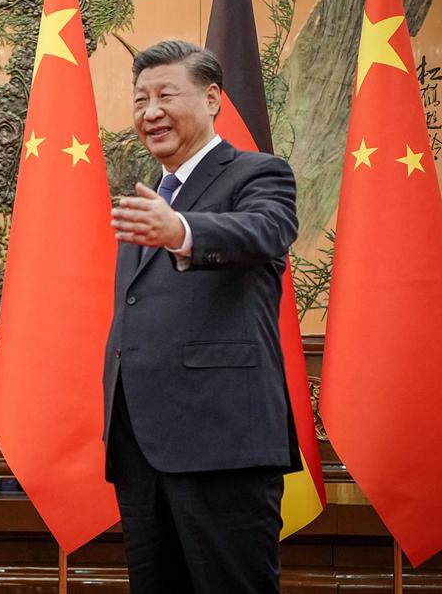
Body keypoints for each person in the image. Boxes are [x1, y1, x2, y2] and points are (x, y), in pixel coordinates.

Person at [105, 40, 299, 593]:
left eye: (167, 95)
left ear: (212, 98)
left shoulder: (258, 173)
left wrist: (185, 232)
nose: (150, 112)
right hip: (142, 448)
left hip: (222, 443)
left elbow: (267, 232)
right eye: (140, 99)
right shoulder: (150, 197)